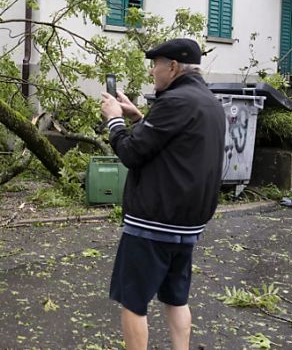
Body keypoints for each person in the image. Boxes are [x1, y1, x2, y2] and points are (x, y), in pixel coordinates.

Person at [100, 38, 226, 350]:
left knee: (133, 301)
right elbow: (176, 145)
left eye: (155, 65)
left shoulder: (174, 102)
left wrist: (114, 119)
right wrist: (139, 117)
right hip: (188, 224)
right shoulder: (208, 101)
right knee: (176, 298)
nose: (152, 72)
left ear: (172, 66)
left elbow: (131, 152)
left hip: (154, 222)